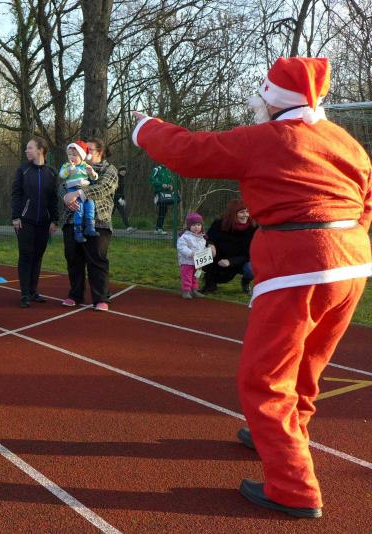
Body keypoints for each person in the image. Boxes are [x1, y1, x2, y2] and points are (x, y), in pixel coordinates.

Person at [131, 56, 372, 518]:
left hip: (296, 268)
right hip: (352, 266)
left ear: (273, 99)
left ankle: (293, 485)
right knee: (307, 365)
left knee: (264, 378)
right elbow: (366, 201)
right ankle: (284, 436)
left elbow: (190, 151)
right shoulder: (346, 142)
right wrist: (345, 245)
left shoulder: (265, 139)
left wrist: (147, 128)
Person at [59, 138, 118, 311]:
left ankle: (100, 298)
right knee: (73, 259)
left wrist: (78, 193)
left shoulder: (109, 169)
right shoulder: (74, 166)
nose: (84, 151)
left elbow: (104, 188)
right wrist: (65, 196)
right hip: (72, 220)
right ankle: (75, 295)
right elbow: (62, 186)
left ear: (100, 152)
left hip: (98, 222)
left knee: (97, 260)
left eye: (89, 149)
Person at [11, 136, 59, 307]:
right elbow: (16, 194)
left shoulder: (52, 172)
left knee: (38, 256)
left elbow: (53, 198)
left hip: (44, 222)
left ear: (40, 150)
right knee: (26, 255)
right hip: (25, 221)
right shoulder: (23, 170)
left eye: (30, 148)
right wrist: (16, 217)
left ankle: (33, 291)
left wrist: (54, 219)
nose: (26, 151)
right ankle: (24, 294)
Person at [202, 199, 257, 294]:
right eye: (242, 212)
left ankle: (246, 281)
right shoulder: (219, 223)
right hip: (220, 255)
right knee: (204, 254)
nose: (246, 215)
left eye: (247, 212)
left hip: (241, 259)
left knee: (251, 269)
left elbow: (249, 254)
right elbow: (209, 237)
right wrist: (210, 244)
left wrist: (230, 261)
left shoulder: (253, 228)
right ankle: (201, 281)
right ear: (233, 213)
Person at [59, 140, 99, 243]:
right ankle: (78, 232)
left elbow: (94, 178)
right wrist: (69, 170)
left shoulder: (85, 165)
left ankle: (90, 227)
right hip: (73, 189)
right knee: (79, 208)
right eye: (69, 155)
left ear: (81, 156)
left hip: (85, 189)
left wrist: (92, 173)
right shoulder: (67, 165)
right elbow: (62, 175)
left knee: (90, 205)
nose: (71, 157)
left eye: (74, 155)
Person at [176, 213, 207, 299]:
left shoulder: (202, 238)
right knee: (187, 276)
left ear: (201, 226)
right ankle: (186, 291)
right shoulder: (185, 237)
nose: (196, 227)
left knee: (196, 276)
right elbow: (181, 247)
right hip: (187, 262)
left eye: (198, 225)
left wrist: (206, 252)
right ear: (189, 226)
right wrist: (190, 253)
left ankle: (194, 290)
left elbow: (203, 248)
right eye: (193, 225)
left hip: (198, 263)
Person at [149, 164, 178, 234]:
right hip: (160, 193)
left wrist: (170, 185)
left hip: (167, 193)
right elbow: (151, 179)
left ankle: (158, 228)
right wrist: (161, 184)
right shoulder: (157, 169)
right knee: (162, 210)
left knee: (164, 211)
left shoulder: (168, 170)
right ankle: (159, 228)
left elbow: (170, 181)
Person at [114, 166, 136, 232]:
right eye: (123, 171)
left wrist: (123, 198)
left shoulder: (122, 178)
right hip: (114, 199)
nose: (124, 172)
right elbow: (114, 190)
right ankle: (101, 226)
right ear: (119, 171)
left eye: (125, 171)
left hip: (119, 199)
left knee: (123, 213)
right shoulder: (116, 178)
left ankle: (128, 227)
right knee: (109, 214)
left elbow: (122, 190)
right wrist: (119, 198)